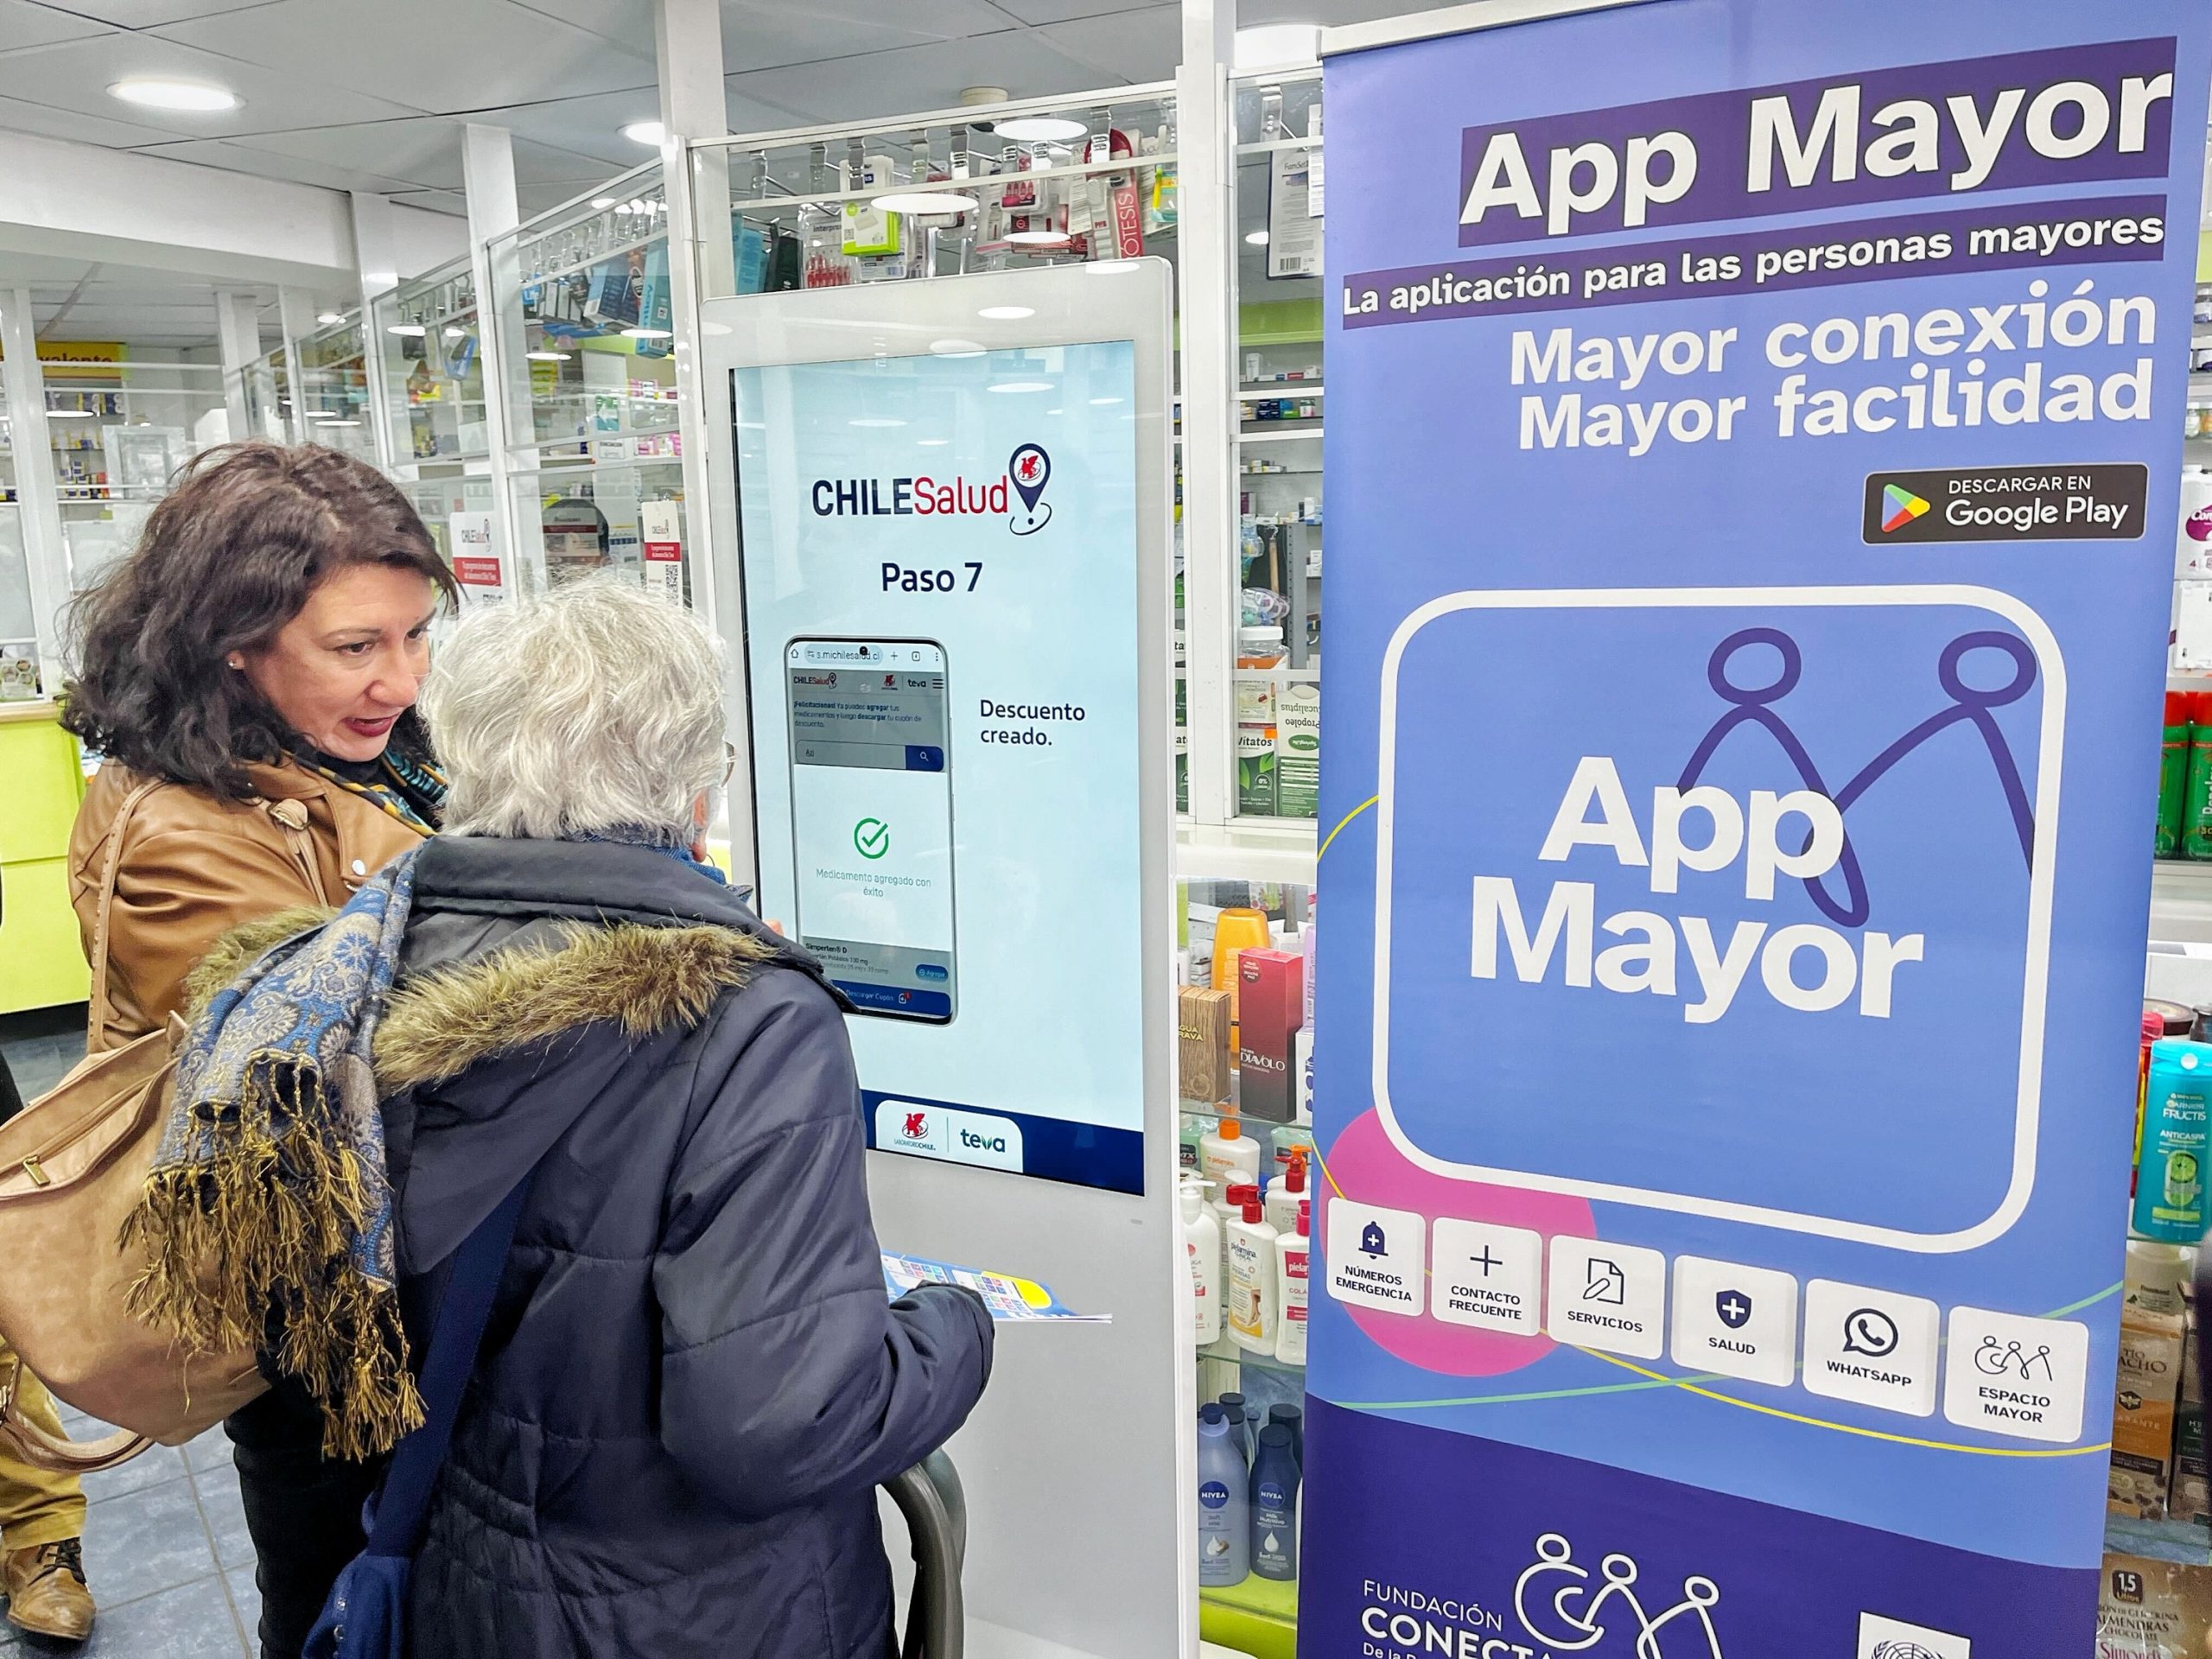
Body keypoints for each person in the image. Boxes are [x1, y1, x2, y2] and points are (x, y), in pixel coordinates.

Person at [125, 578, 994, 1656]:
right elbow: (773, 1426)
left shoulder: (351, 967)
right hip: (706, 1611)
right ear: (694, 786)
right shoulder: (745, 1020)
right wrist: (953, 1331)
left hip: (466, 1576)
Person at [60, 441, 454, 1657]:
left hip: (397, 1278)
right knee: (335, 1599)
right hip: (315, 1326)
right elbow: (362, 1041)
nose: (399, 677)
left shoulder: (352, 755)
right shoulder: (177, 829)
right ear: (234, 642)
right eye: (356, 646)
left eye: (415, 634)